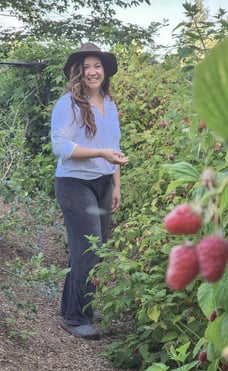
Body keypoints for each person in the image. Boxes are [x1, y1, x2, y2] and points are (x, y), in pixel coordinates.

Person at [51, 42, 129, 340]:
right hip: (73, 183)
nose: (92, 72)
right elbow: (63, 148)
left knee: (97, 247)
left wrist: (116, 184)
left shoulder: (109, 104)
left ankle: (79, 304)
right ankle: (73, 318)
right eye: (86, 67)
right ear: (78, 73)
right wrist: (102, 156)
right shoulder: (67, 105)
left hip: (103, 183)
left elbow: (115, 148)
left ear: (105, 71)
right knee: (88, 244)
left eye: (97, 66)